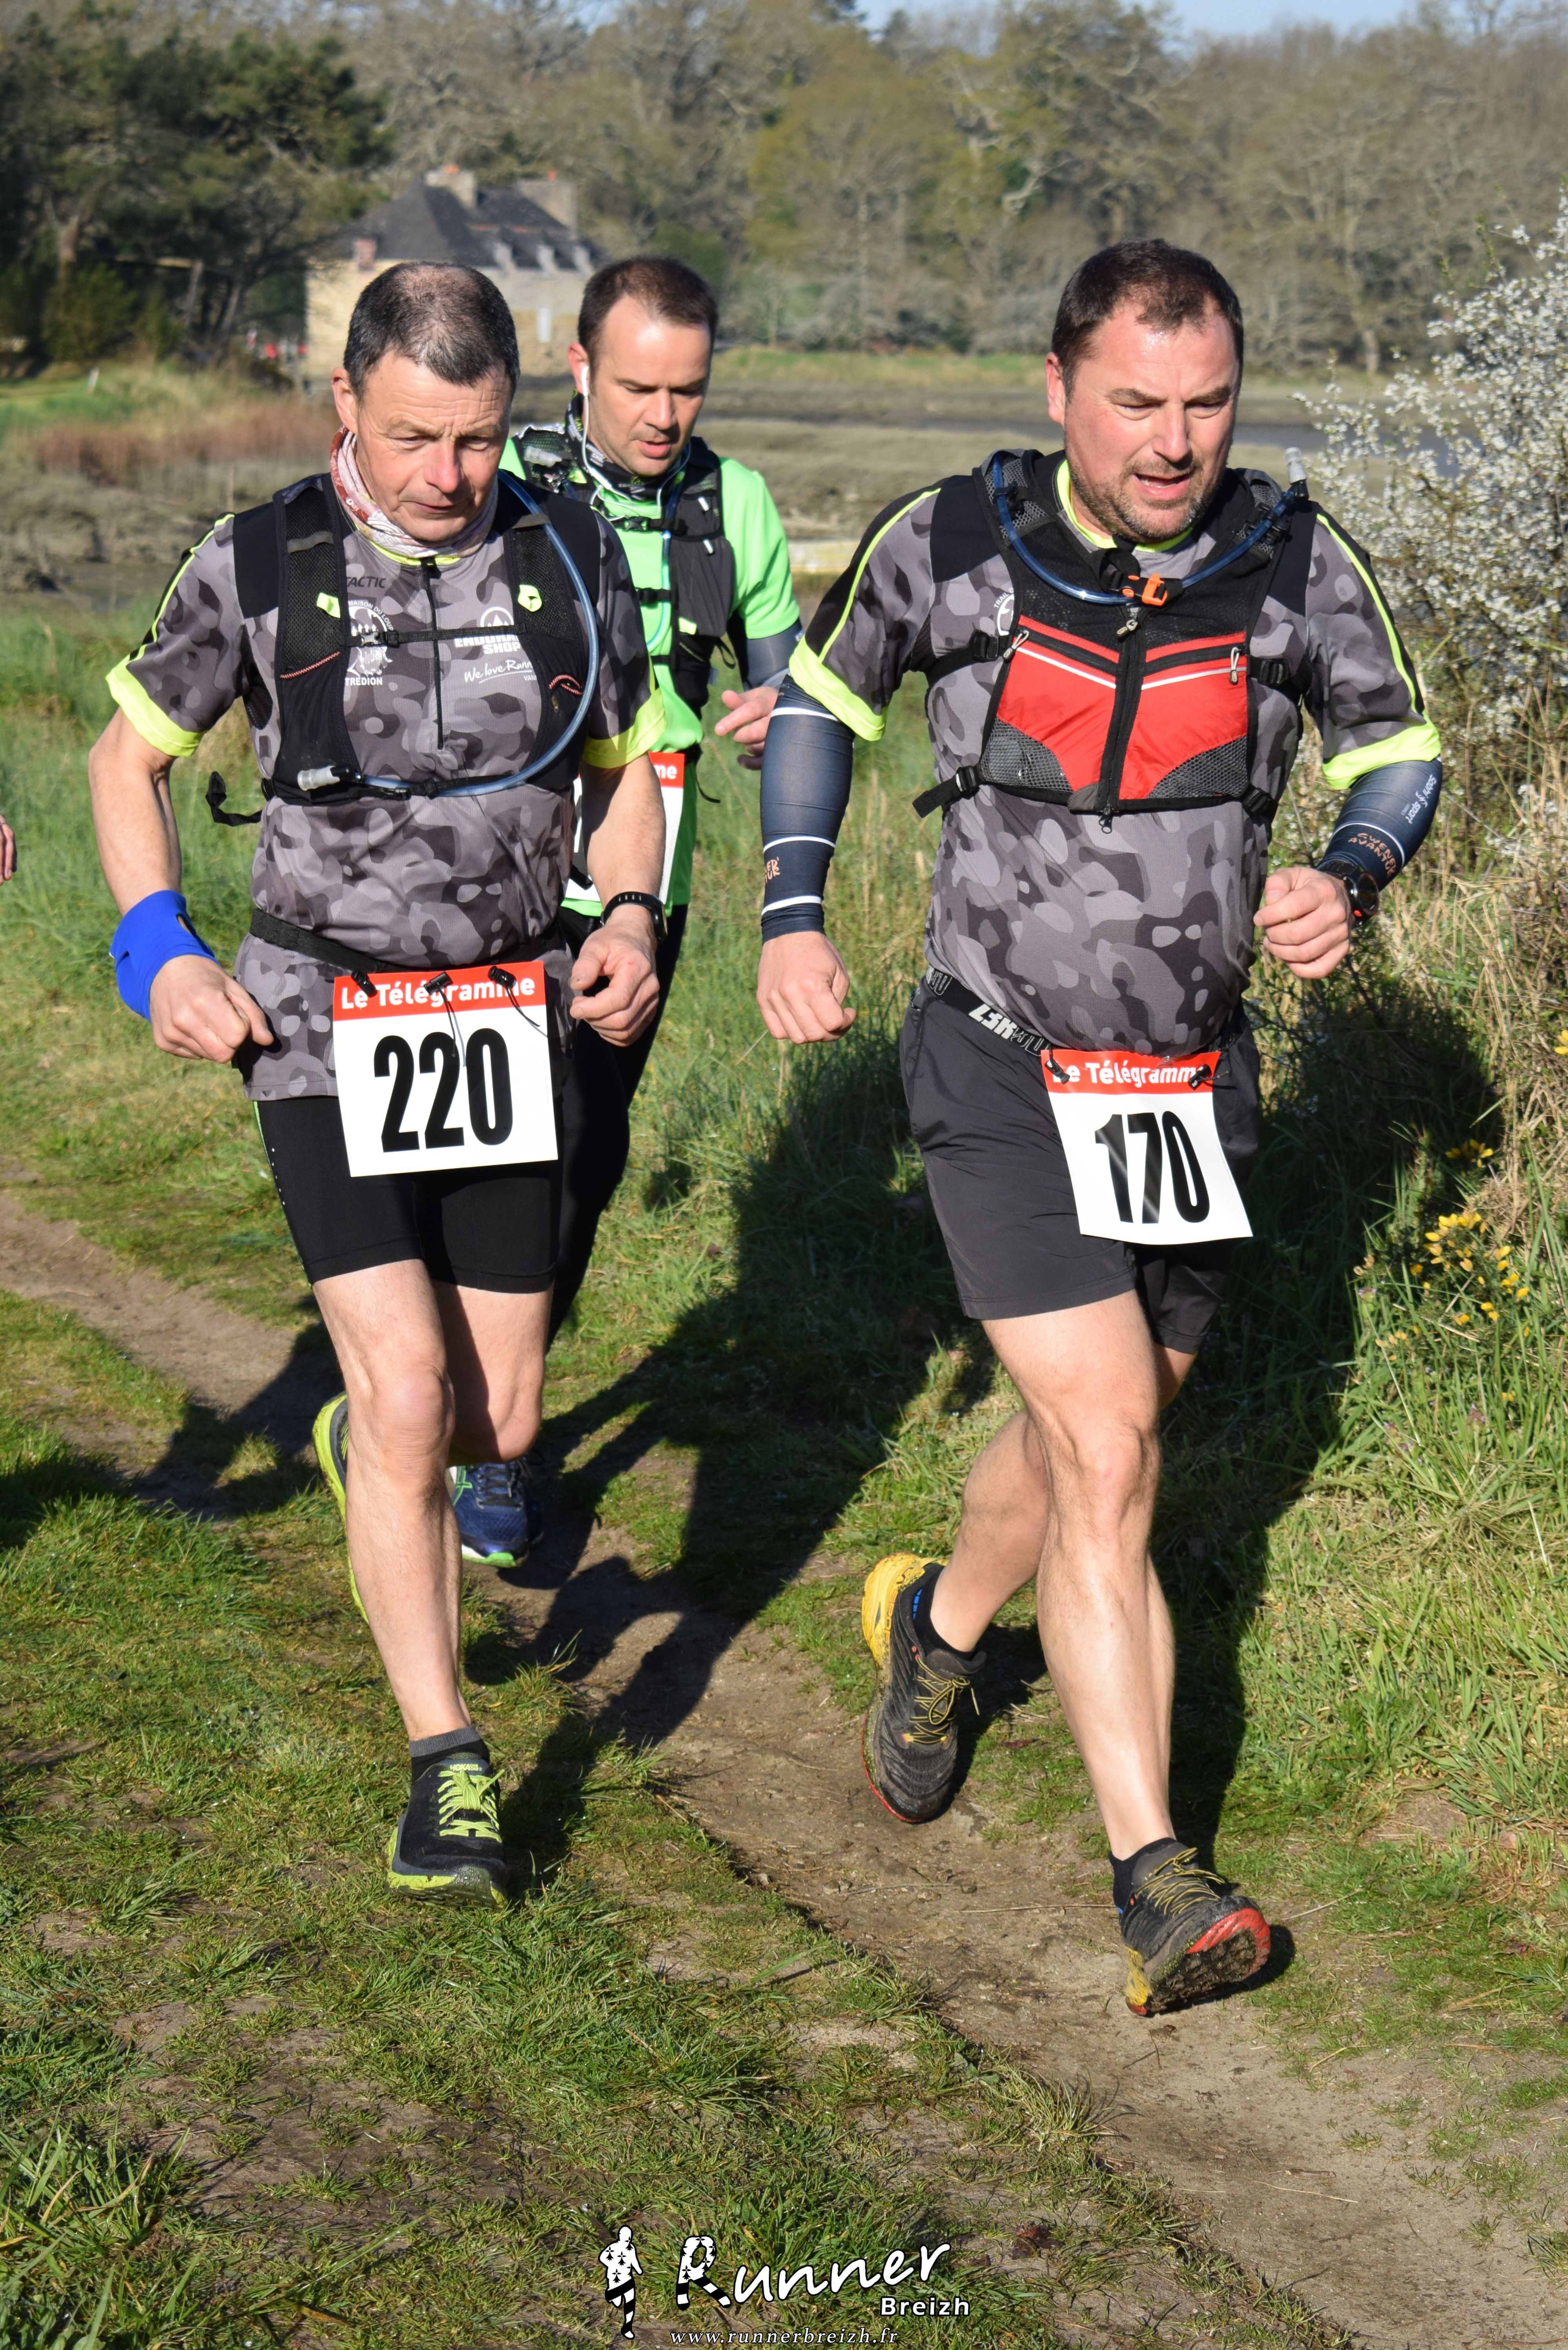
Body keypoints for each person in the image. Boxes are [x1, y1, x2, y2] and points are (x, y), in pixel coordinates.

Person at [754, 240, 1441, 2016]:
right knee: (1115, 1439)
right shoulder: (952, 540)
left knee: (1097, 1438)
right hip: (997, 1064)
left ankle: (936, 1633)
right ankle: (1156, 1875)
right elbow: (821, 704)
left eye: (1207, 403)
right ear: (1059, 388)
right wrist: (793, 912)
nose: (1174, 440)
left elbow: (1397, 748)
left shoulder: (1292, 557)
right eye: (1137, 403)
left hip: (1190, 1085)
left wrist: (1353, 870)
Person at [87, 263, 667, 1904]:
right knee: (413, 1393)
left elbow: (632, 767)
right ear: (345, 401)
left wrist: (630, 909)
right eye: (412, 436)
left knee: (500, 1416)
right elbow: (126, 756)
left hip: (505, 1024)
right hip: (319, 1028)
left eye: (476, 440)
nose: (446, 474)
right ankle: (446, 1762)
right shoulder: (260, 558)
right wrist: (156, 949)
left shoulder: (568, 555)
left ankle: (375, 1437)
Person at [450, 254, 800, 1567]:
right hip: (500, 890)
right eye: (640, 387)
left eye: (688, 390)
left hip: (648, 898)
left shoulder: (737, 504)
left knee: (585, 1165)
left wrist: (779, 715)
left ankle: (474, 1416)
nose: (664, 415)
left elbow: (790, 689)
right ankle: (469, 1427)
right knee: (498, 1164)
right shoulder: (508, 484)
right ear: (581, 367)